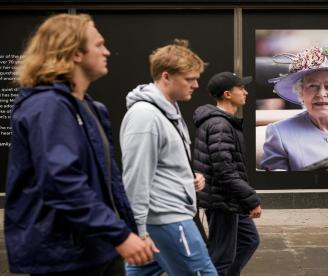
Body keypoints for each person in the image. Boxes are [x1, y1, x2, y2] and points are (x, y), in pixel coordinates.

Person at [4, 14, 154, 276]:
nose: (107, 51)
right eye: (99, 45)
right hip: (63, 254)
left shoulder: (91, 108)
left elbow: (109, 183)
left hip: (99, 246)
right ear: (74, 52)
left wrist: (130, 231)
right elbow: (61, 181)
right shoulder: (47, 106)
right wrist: (119, 234)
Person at [120, 39, 217, 275]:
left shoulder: (168, 110)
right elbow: (136, 177)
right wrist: (138, 230)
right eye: (189, 79)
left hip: (164, 218)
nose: (196, 85)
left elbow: (164, 165)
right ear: (166, 76)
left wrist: (188, 177)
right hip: (168, 220)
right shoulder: (145, 116)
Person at [193, 72, 262, 275]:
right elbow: (224, 170)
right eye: (241, 88)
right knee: (220, 257)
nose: (245, 92)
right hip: (222, 200)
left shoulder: (223, 121)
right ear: (227, 94)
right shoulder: (219, 125)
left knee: (249, 240)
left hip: (230, 199)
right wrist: (251, 199)